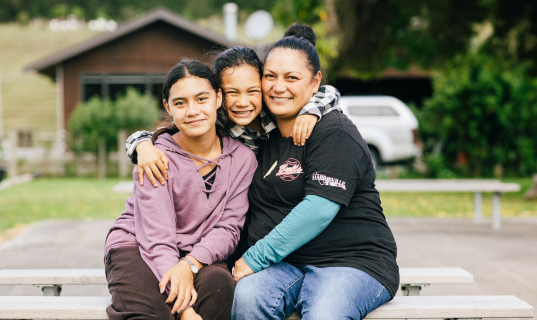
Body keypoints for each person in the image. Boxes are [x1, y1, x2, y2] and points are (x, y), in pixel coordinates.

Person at [230, 23, 399, 320]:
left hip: (352, 262)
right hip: (285, 264)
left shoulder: (335, 131)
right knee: (246, 300)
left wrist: (255, 257)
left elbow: (318, 209)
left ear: (315, 82)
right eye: (270, 76)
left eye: (291, 78)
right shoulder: (260, 133)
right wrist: (144, 144)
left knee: (324, 313)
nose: (278, 86)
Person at [104, 59, 257, 320]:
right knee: (156, 313)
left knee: (219, 287)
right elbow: (156, 237)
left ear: (218, 98)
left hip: (197, 253)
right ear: (168, 107)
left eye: (201, 99)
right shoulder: (155, 157)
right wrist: (185, 311)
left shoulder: (243, 159)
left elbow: (229, 228)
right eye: (180, 103)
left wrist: (189, 264)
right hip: (138, 246)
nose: (192, 110)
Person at [124, 46, 341, 187]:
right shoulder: (214, 124)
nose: (243, 102)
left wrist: (311, 111)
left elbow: (328, 91)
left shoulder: (275, 111)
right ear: (218, 96)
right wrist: (143, 147)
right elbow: (151, 135)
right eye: (232, 93)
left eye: (252, 91)